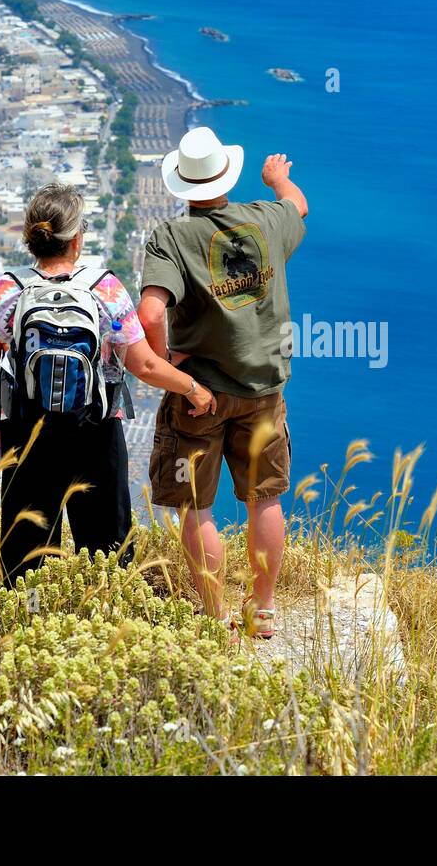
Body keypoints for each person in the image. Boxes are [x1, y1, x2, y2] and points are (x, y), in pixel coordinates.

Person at [0, 182, 217, 589]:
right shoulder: (104, 288)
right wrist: (192, 387)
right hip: (95, 430)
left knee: (25, 547)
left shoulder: (3, 291)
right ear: (76, 239)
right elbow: (145, 365)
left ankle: (26, 624)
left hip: (25, 431)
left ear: (33, 238)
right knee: (107, 542)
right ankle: (107, 620)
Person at [138, 126, 308, 639]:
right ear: (226, 175)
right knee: (264, 499)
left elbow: (149, 310)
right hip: (263, 393)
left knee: (197, 505)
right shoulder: (266, 218)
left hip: (200, 398)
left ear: (182, 186)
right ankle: (262, 609)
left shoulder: (171, 238)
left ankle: (214, 617)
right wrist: (278, 179)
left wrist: (165, 358)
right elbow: (298, 206)